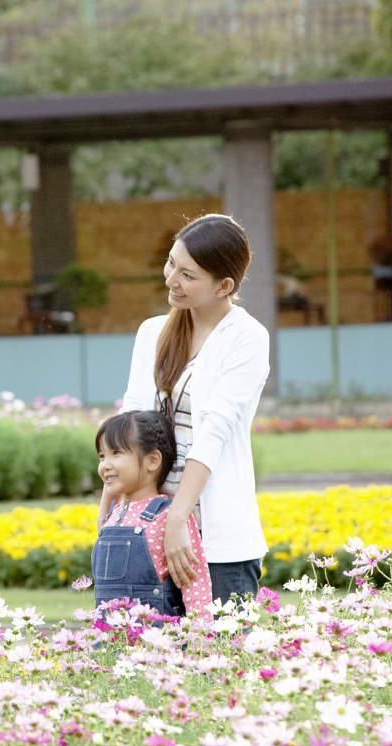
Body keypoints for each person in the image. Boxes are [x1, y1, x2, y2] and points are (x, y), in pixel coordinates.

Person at [101, 213, 269, 605]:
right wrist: (110, 505)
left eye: (188, 274)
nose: (171, 279)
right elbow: (131, 427)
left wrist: (179, 516)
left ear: (223, 285)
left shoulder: (246, 338)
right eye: (171, 263)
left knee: (223, 661)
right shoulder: (152, 333)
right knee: (144, 660)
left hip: (217, 542)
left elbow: (214, 433)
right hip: (146, 531)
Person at [93, 410, 211, 617]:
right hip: (110, 639)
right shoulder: (112, 515)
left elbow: (195, 584)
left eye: (116, 453)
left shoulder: (168, 515)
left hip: (157, 642)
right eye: (102, 456)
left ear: (153, 460)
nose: (105, 465)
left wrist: (199, 638)